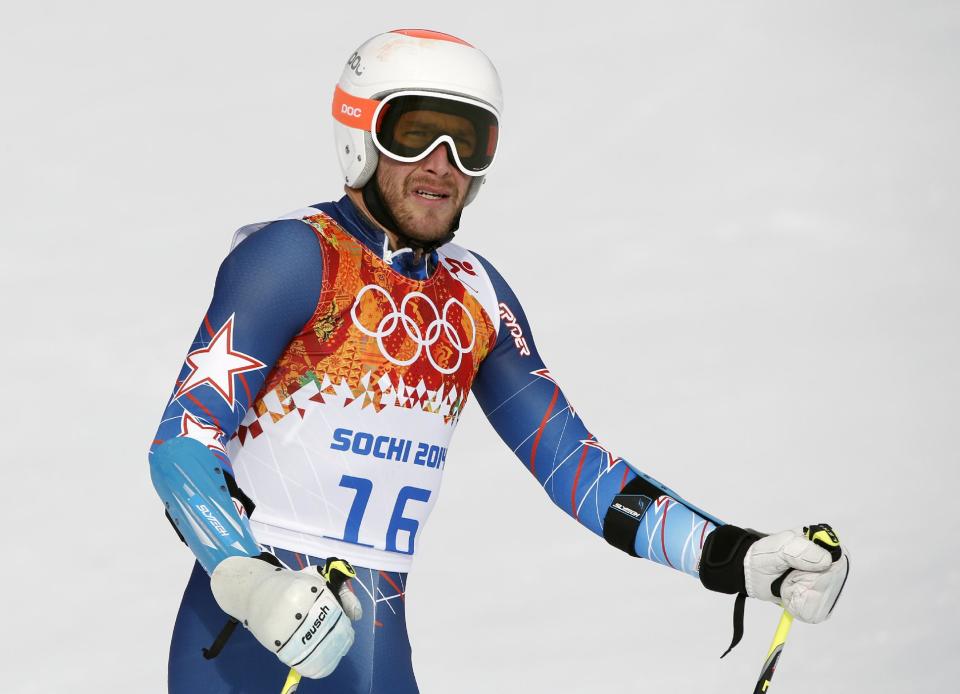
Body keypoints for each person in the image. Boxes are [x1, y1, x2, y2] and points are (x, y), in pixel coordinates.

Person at [149, 28, 850, 694]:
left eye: (470, 141)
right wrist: (254, 583)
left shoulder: (475, 295)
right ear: (360, 135)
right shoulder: (295, 257)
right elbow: (181, 443)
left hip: (374, 647)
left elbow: (576, 468)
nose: (443, 163)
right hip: (248, 638)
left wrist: (731, 555)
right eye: (416, 131)